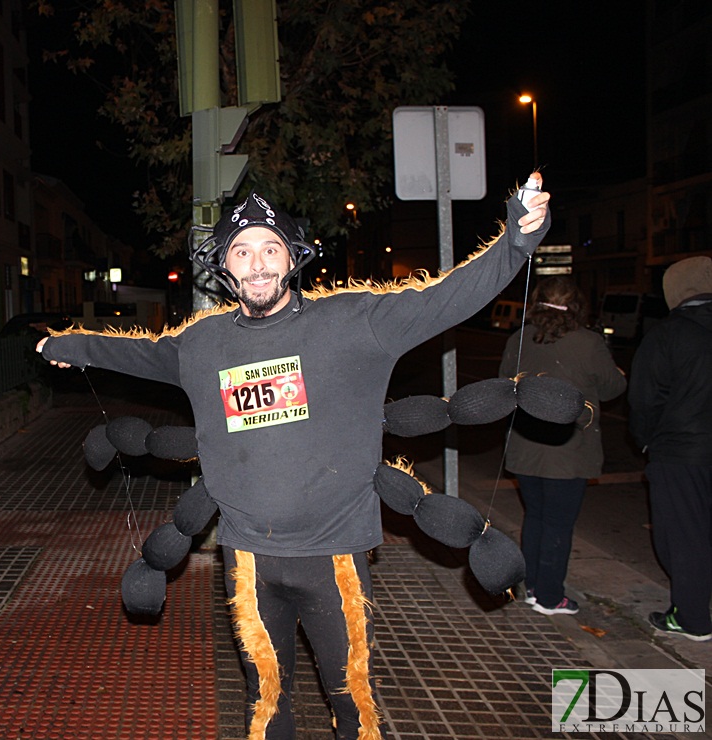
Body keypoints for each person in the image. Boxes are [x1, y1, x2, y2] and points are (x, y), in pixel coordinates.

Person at [36, 177, 550, 740]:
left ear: (291, 258)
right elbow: (135, 353)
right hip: (249, 559)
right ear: (226, 268)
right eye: (241, 251)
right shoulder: (203, 345)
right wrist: (69, 346)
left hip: (333, 560)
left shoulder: (354, 325)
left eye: (269, 249)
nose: (256, 265)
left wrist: (517, 243)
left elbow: (445, 299)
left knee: (353, 701)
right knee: (266, 702)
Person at [498, 276, 627, 617]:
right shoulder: (588, 342)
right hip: (569, 450)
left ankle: (535, 587)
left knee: (536, 516)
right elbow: (613, 387)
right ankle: (552, 598)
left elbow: (503, 385)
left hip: (526, 447)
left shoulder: (518, 339)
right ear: (577, 305)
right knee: (558, 523)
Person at [628, 255, 712, 642]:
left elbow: (645, 397)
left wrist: (646, 440)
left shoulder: (667, 334)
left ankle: (692, 619)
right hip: (687, 448)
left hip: (682, 452)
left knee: (683, 536)